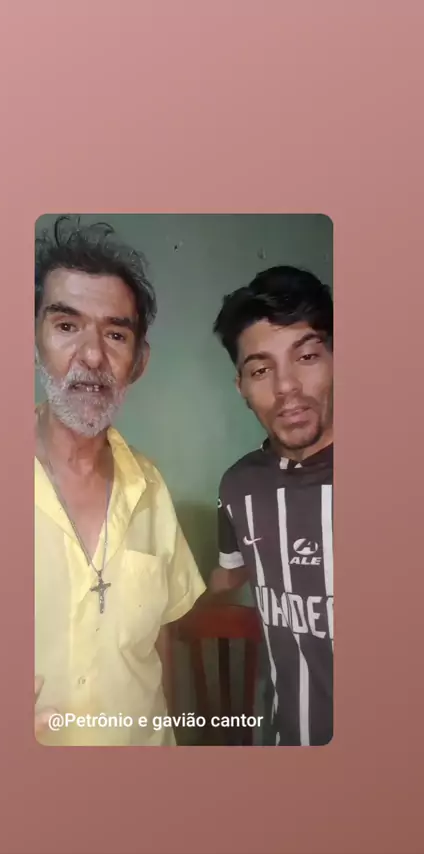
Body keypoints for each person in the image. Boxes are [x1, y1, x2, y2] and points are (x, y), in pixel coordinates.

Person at [34, 216, 205, 746]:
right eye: (67, 326)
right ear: (34, 339)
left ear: (139, 362)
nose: (92, 356)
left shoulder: (151, 488)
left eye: (115, 334)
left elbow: (159, 641)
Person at [210, 266, 333, 746]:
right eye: (261, 369)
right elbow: (228, 577)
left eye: (307, 356)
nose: (286, 386)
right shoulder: (238, 487)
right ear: (241, 387)